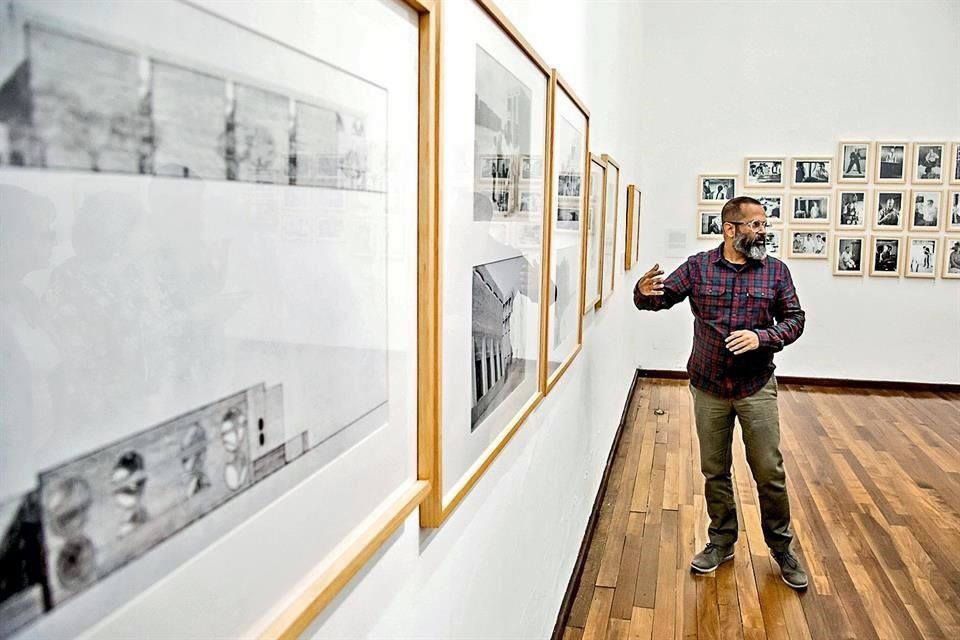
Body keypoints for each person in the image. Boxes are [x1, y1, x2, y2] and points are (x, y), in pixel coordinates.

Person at [633, 196, 808, 590]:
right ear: (730, 230)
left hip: (756, 386)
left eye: (764, 224)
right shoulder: (698, 267)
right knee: (715, 471)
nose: (764, 231)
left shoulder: (775, 272)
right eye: (756, 224)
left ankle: (781, 549)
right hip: (709, 386)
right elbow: (657, 300)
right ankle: (721, 541)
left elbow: (795, 320)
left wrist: (762, 336)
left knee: (769, 472)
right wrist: (643, 292)